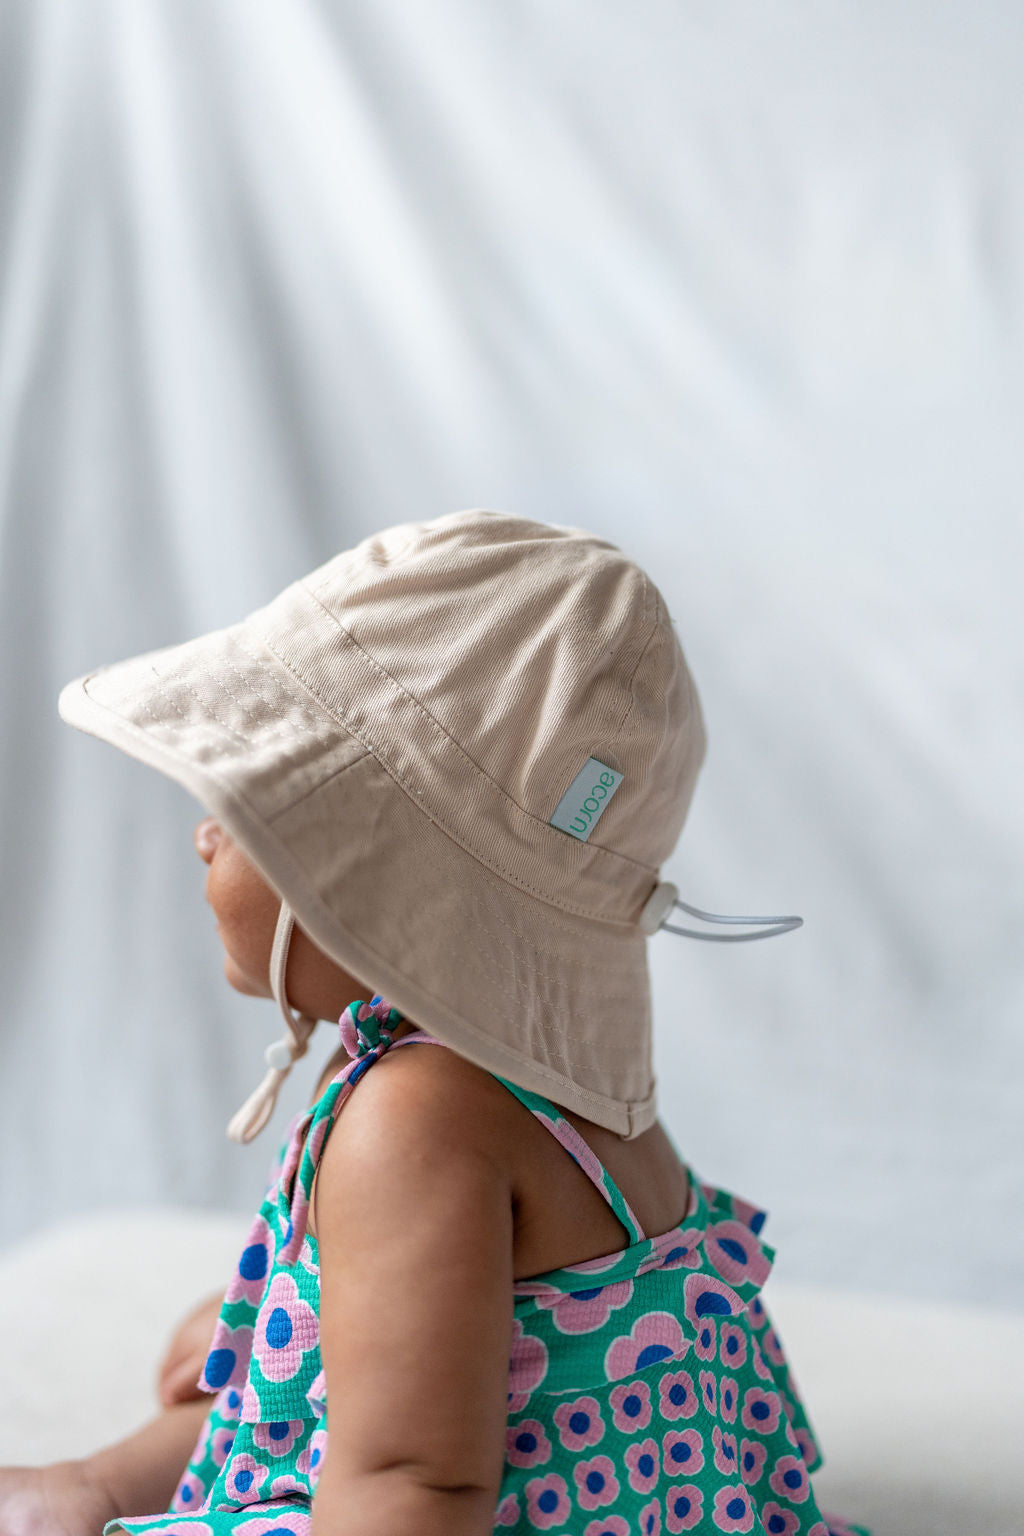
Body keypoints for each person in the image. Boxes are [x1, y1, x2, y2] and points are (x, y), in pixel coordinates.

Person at [0, 509, 869, 1536]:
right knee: (293, 1377)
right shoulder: (557, 1083)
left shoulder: (412, 1119)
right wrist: (305, 1319)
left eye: (241, 813)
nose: (199, 838)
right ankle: (92, 1486)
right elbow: (464, 1347)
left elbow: (413, 1480)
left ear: (367, 884)